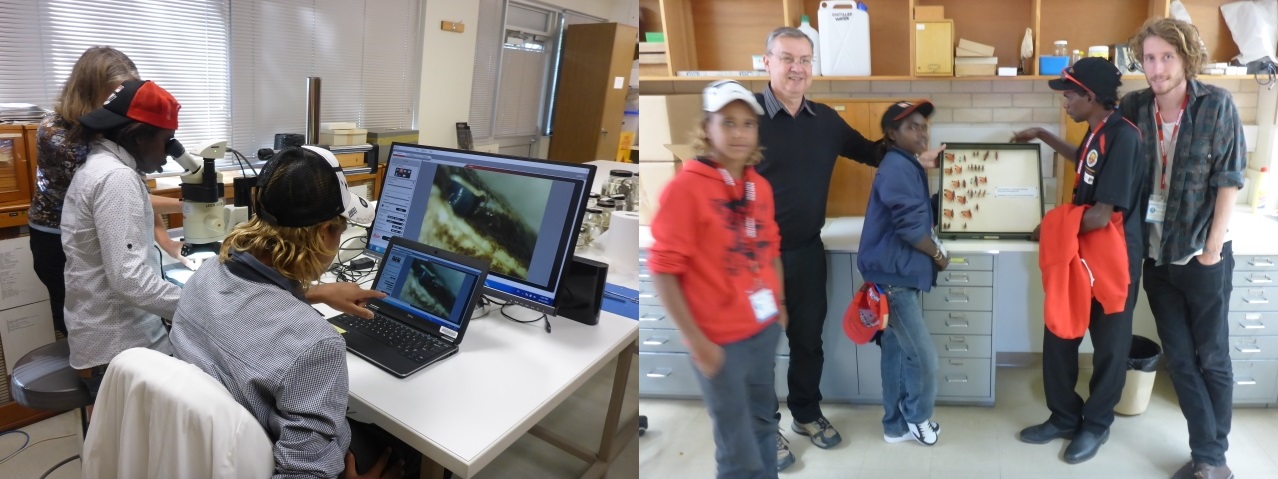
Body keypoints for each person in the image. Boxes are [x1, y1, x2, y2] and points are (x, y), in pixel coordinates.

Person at [754, 26, 945, 468]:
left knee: (808, 341)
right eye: (787, 58)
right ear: (766, 62)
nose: (797, 68)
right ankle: (765, 429)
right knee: (759, 347)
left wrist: (919, 156)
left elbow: (872, 152)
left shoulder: (825, 121)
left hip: (804, 250)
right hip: (755, 257)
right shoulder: (748, 120)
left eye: (805, 60)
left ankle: (805, 413)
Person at [170, 145, 416, 479]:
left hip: (205, 451)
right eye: (341, 228)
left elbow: (250, 309)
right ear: (323, 233)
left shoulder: (206, 274)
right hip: (269, 455)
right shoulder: (317, 346)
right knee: (405, 449)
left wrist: (312, 293)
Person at [1122, 18, 1246, 479]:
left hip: (1202, 255)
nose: (1156, 68)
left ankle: (1213, 458)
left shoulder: (1217, 105)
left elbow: (1230, 179)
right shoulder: (1135, 107)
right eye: (1149, 58)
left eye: (1166, 57)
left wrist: (1212, 250)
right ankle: (1207, 456)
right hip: (1157, 258)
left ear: (1186, 57)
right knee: (1179, 359)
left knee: (1212, 356)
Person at [1011, 57, 1147, 464]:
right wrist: (1043, 135)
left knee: (1109, 348)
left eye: (1069, 94)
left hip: (1113, 261)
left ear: (1090, 96)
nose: (1064, 100)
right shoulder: (1096, 131)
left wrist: (1051, 226)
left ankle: (1096, 425)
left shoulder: (1125, 137)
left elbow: (1102, 214)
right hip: (1081, 253)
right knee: (1060, 335)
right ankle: (1064, 417)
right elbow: (1087, 166)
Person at [649, 80, 787, 479]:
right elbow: (664, 269)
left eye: (748, 123)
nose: (740, 133)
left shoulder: (759, 186)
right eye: (728, 122)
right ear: (707, 127)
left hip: (762, 332)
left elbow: (771, 250)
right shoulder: (686, 188)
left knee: (764, 424)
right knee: (737, 451)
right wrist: (696, 341)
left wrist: (779, 307)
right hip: (719, 343)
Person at [29, 46, 189, 337]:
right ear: (91, 91)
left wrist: (166, 242)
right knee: (91, 316)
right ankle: (95, 370)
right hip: (55, 236)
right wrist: (190, 205)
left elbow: (135, 191)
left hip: (102, 221)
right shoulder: (60, 134)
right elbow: (123, 190)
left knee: (113, 309)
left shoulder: (117, 144)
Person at [857, 100, 945, 447]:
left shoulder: (904, 164)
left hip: (891, 274)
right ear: (891, 134)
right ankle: (918, 418)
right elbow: (911, 229)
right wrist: (939, 255)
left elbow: (916, 214)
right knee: (924, 359)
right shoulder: (897, 167)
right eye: (912, 127)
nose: (922, 132)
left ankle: (893, 425)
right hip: (896, 281)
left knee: (894, 353)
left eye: (924, 125)